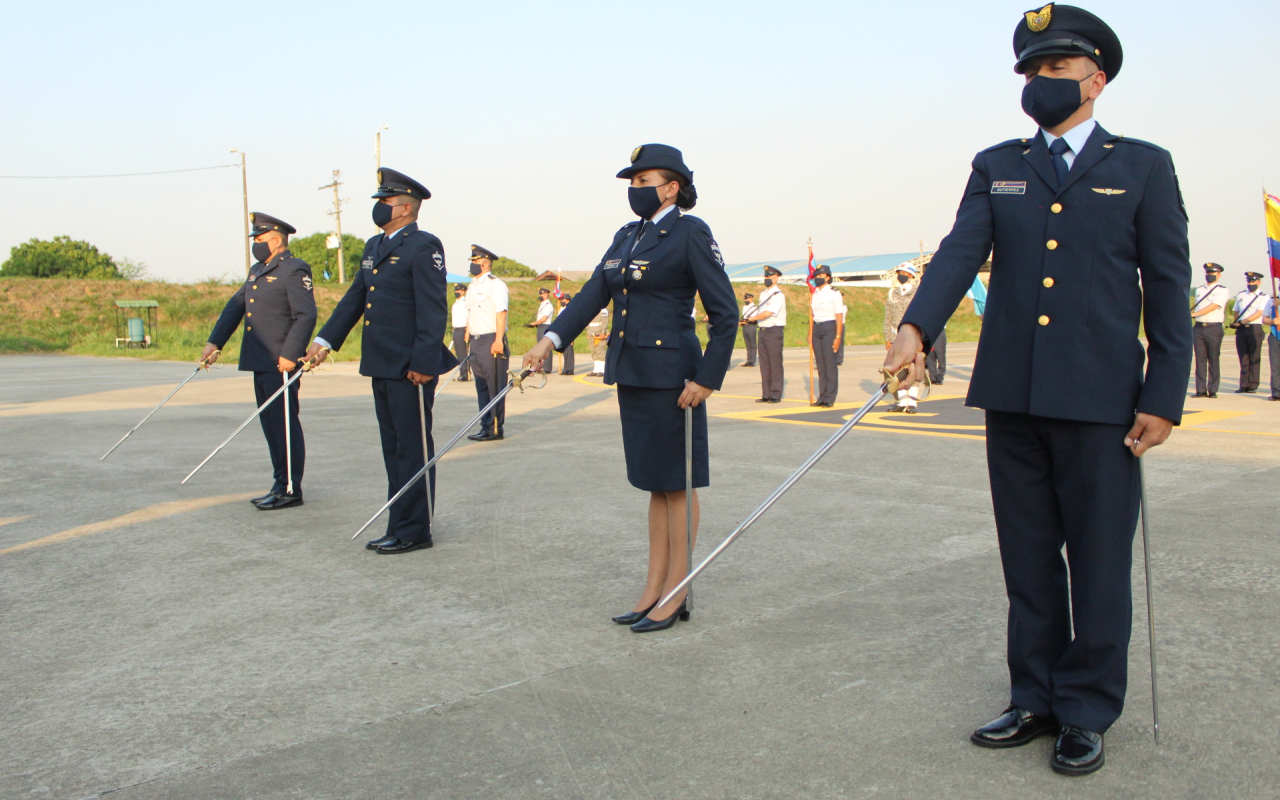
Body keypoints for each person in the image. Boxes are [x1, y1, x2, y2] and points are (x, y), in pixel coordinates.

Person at [883, 5, 1191, 776]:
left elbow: (1169, 287)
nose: (1039, 84)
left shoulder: (1142, 165)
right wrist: (916, 329)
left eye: (1054, 71)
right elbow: (959, 254)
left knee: (1096, 562)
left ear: (1097, 78)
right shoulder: (998, 164)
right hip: (1014, 396)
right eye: (1030, 72)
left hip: (1101, 402)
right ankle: (1036, 696)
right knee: (1027, 560)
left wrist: (1163, 394)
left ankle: (1087, 708)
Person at [523, 143, 738, 632]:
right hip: (634, 373)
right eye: (632, 183)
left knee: (678, 485)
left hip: (674, 378)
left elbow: (725, 314)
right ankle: (653, 586)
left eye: (643, 182)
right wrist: (548, 341)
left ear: (672, 187)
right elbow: (593, 293)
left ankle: (679, 590)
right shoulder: (627, 236)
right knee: (655, 486)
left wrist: (708, 378)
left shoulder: (689, 233)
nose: (635, 190)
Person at [305, 169, 456, 554]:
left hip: (411, 368)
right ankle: (397, 522)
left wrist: (424, 361)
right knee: (393, 449)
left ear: (405, 207)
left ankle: (416, 529)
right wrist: (324, 341)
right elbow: (354, 300)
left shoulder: (424, 246)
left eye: (384, 202)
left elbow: (433, 309)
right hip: (381, 363)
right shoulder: (374, 246)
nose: (378, 207)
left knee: (413, 448)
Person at [204, 212, 317, 510]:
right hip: (260, 360)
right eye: (254, 238)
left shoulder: (294, 270)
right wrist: (215, 342)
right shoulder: (258, 270)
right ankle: (280, 483)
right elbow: (235, 307)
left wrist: (291, 354)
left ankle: (291, 488)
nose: (255, 243)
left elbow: (305, 315)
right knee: (271, 425)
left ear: (277, 240)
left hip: (281, 362)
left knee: (284, 425)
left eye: (260, 238)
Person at [465, 245, 510, 441]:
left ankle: (495, 428)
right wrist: (468, 335)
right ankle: (484, 425)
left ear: (484, 264)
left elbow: (501, 313)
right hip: (476, 342)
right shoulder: (473, 285)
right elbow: (471, 313)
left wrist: (498, 340)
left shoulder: (495, 284)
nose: (472, 265)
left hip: (492, 339)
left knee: (494, 386)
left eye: (474, 262)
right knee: (482, 387)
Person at [883, 263, 921, 413]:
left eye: (904, 273)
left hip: (912, 336)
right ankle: (901, 401)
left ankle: (912, 403)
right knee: (897, 369)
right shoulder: (893, 293)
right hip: (896, 336)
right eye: (899, 272)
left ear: (911, 275)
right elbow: (888, 317)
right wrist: (888, 337)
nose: (901, 275)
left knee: (913, 368)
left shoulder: (917, 293)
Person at [749, 266, 787, 402]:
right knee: (764, 364)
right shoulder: (763, 294)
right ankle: (766, 394)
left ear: (776, 278)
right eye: (766, 277)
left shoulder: (778, 295)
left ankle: (776, 394)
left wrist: (752, 319)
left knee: (775, 364)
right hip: (763, 331)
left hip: (774, 331)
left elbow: (768, 313)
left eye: (770, 277)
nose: (767, 279)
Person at [1190, 263, 1228, 397]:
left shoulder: (1222, 290)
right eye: (1208, 273)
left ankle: (1212, 389)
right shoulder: (1200, 290)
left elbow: (1214, 306)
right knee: (1200, 360)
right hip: (1199, 327)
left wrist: (1194, 314)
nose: (1209, 275)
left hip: (1213, 328)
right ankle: (1200, 389)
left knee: (1213, 359)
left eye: (1212, 273)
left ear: (1219, 275)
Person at [809, 264, 842, 406]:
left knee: (830, 364)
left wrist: (838, 336)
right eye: (816, 276)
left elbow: (839, 316)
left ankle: (830, 397)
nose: (818, 278)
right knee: (821, 365)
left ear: (828, 278)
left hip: (829, 327)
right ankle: (821, 396)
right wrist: (810, 332)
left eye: (821, 276)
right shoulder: (814, 293)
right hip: (817, 329)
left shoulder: (834, 293)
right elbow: (812, 314)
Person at [1230, 271, 1267, 393]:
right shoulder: (1241, 295)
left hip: (1254, 328)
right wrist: (1237, 321)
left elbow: (1259, 313)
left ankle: (1253, 384)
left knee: (1254, 357)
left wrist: (1243, 321)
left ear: (1259, 282)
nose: (1251, 283)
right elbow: (1236, 310)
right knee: (1243, 357)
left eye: (1253, 281)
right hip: (1241, 330)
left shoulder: (1263, 297)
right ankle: (1243, 384)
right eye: (1249, 281)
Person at [531, 287, 554, 374]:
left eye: (542, 294)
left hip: (545, 327)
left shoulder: (548, 305)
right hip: (540, 327)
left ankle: (547, 368)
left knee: (546, 347)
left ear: (547, 294)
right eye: (540, 294)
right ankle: (541, 366)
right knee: (540, 348)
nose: (540, 295)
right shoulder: (542, 304)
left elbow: (544, 318)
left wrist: (535, 323)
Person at [451, 284, 470, 382]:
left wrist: (467, 331)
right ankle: (462, 372)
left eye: (458, 291)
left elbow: (468, 318)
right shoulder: (455, 304)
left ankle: (465, 374)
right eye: (455, 291)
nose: (457, 293)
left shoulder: (465, 303)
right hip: (456, 329)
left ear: (463, 291)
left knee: (463, 353)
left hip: (463, 329)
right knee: (458, 353)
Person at [1264, 292, 1280, 401]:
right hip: (1275, 335)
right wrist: (1272, 321)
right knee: (1275, 366)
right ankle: (1276, 392)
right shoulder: (1271, 301)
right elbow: (1264, 319)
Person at [557, 293, 576, 374]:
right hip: (563, 331)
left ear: (568, 300)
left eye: (563, 300)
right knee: (565, 351)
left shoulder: (571, 308)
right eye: (561, 300)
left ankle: (570, 369)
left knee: (569, 352)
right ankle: (566, 369)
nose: (562, 301)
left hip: (569, 331)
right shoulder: (562, 308)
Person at [586, 307, 609, 376]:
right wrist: (588, 332)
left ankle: (602, 370)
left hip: (599, 333)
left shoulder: (603, 310)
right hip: (591, 333)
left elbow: (604, 322)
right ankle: (596, 370)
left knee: (600, 351)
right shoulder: (590, 309)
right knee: (594, 351)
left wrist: (603, 332)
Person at [739, 292, 759, 366]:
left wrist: (743, 322)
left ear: (751, 299)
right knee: (748, 344)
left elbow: (752, 319)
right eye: (745, 299)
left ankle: (752, 361)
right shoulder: (744, 307)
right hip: (745, 327)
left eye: (747, 298)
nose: (746, 300)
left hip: (751, 326)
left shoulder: (754, 308)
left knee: (752, 344)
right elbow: (744, 318)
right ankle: (748, 360)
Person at [834, 288, 848, 367]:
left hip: (841, 324)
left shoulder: (843, 306)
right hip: (834, 324)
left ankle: (839, 359)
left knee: (840, 342)